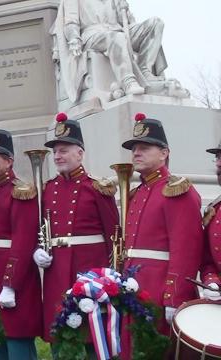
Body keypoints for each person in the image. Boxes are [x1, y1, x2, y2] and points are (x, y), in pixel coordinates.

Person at [33, 113, 119, 356]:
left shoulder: (97, 188)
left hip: (90, 273)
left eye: (63, 150)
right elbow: (38, 230)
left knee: (92, 335)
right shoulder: (47, 189)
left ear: (80, 153)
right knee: (60, 335)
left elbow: (114, 235)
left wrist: (111, 278)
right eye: (55, 151)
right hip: (56, 272)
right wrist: (37, 251)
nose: (58, 156)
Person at [119, 113, 203, 358]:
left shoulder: (176, 190)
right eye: (134, 148)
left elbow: (186, 249)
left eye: (144, 147)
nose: (136, 153)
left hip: (158, 288)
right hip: (133, 286)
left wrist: (174, 295)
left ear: (164, 152)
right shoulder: (138, 192)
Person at [0, 123, 42, 359]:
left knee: (17, 344)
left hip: (13, 280)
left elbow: (23, 243)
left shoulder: (20, 191)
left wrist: (10, 285)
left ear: (9, 161)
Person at [51, 0, 167, 101]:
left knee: (156, 23)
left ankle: (145, 70)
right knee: (116, 37)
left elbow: (125, 21)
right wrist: (74, 37)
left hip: (118, 30)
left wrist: (125, 10)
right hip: (93, 34)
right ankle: (128, 81)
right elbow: (70, 22)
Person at [201, 141, 221, 301]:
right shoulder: (214, 209)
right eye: (217, 157)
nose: (219, 163)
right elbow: (207, 259)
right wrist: (211, 280)